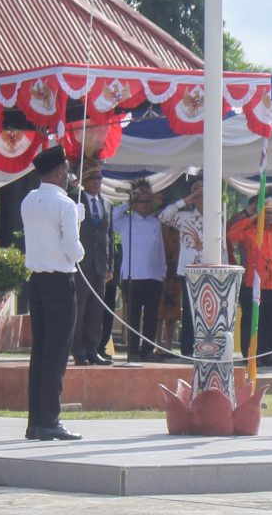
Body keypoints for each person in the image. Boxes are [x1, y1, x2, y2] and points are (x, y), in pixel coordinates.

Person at [20, 146, 85, 441]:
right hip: (60, 282)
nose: (69, 175)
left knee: (41, 352)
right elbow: (74, 252)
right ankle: (50, 420)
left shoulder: (29, 201)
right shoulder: (65, 205)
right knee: (57, 354)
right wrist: (78, 224)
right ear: (59, 171)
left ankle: (36, 420)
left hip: (37, 282)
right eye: (67, 170)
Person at [158, 175, 226, 357]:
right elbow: (164, 216)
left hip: (212, 270)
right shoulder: (184, 217)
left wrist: (224, 268)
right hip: (189, 271)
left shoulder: (217, 218)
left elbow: (223, 246)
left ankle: (208, 347)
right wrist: (185, 201)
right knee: (190, 311)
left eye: (204, 194)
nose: (201, 198)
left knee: (210, 312)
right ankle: (188, 349)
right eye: (197, 194)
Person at [227, 196, 272, 365]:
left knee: (270, 321)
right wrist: (254, 217)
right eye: (267, 213)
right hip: (253, 283)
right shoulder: (250, 231)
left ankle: (267, 355)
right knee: (250, 320)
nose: (270, 216)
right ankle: (249, 355)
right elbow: (233, 233)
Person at [112, 179, 166, 361]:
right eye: (141, 202)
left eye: (148, 202)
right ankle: (133, 351)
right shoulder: (125, 221)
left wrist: (162, 271)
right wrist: (128, 203)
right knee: (133, 316)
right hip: (132, 276)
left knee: (151, 316)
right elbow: (110, 219)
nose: (145, 205)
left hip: (153, 276)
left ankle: (147, 350)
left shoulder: (155, 223)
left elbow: (160, 249)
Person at [71, 158, 114, 366]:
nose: (97, 181)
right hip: (80, 264)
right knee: (80, 309)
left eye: (99, 177)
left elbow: (109, 236)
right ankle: (78, 349)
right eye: (93, 178)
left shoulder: (107, 204)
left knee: (97, 310)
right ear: (84, 181)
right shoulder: (74, 201)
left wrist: (110, 266)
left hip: (99, 266)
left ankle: (92, 348)